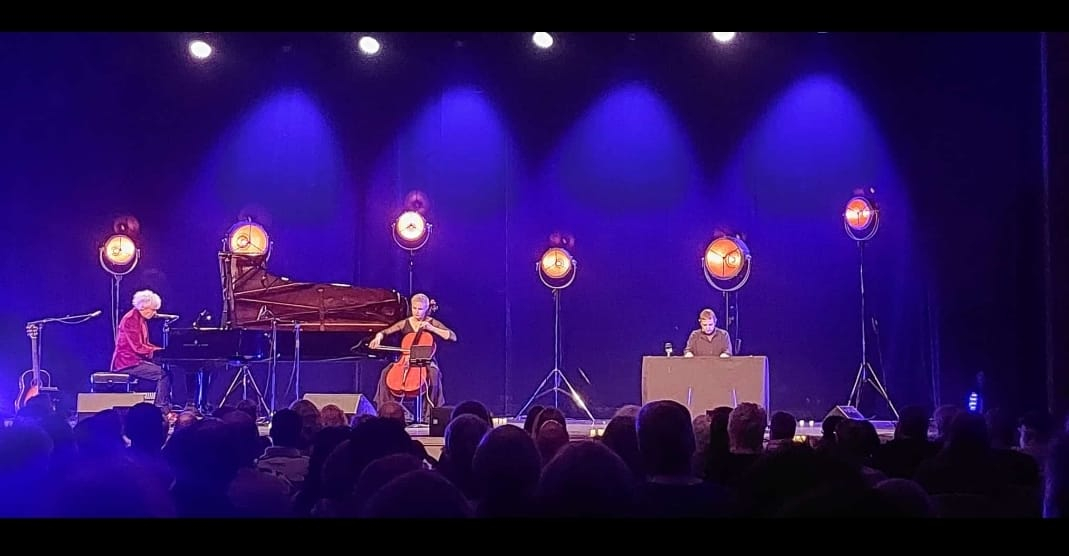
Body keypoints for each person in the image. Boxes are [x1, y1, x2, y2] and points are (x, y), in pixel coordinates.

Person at [369, 293, 456, 420]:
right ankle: (389, 411)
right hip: (405, 359)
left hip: (426, 361)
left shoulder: (432, 322)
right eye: (414, 308)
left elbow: (452, 336)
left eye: (420, 309)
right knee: (385, 373)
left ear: (427, 309)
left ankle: (430, 414)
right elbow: (385, 332)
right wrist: (378, 337)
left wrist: (432, 328)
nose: (417, 312)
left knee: (434, 375)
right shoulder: (406, 323)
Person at [110, 290, 174, 411]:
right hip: (127, 362)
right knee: (163, 374)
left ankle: (164, 404)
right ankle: (161, 408)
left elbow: (145, 344)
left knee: (167, 369)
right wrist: (159, 352)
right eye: (153, 310)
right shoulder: (130, 319)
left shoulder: (140, 319)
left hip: (135, 360)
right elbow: (138, 347)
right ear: (143, 307)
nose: (155, 313)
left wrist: (161, 351)